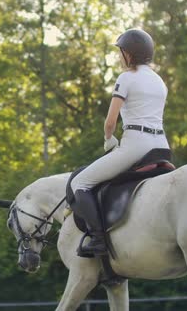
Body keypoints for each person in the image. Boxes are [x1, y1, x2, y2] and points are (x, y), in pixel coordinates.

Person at [70, 28, 171, 256]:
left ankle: (98, 239)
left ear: (129, 54)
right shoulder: (159, 81)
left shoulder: (126, 78)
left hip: (136, 144)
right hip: (162, 147)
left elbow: (110, 122)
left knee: (81, 183)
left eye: (121, 51)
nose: (119, 56)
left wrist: (109, 140)